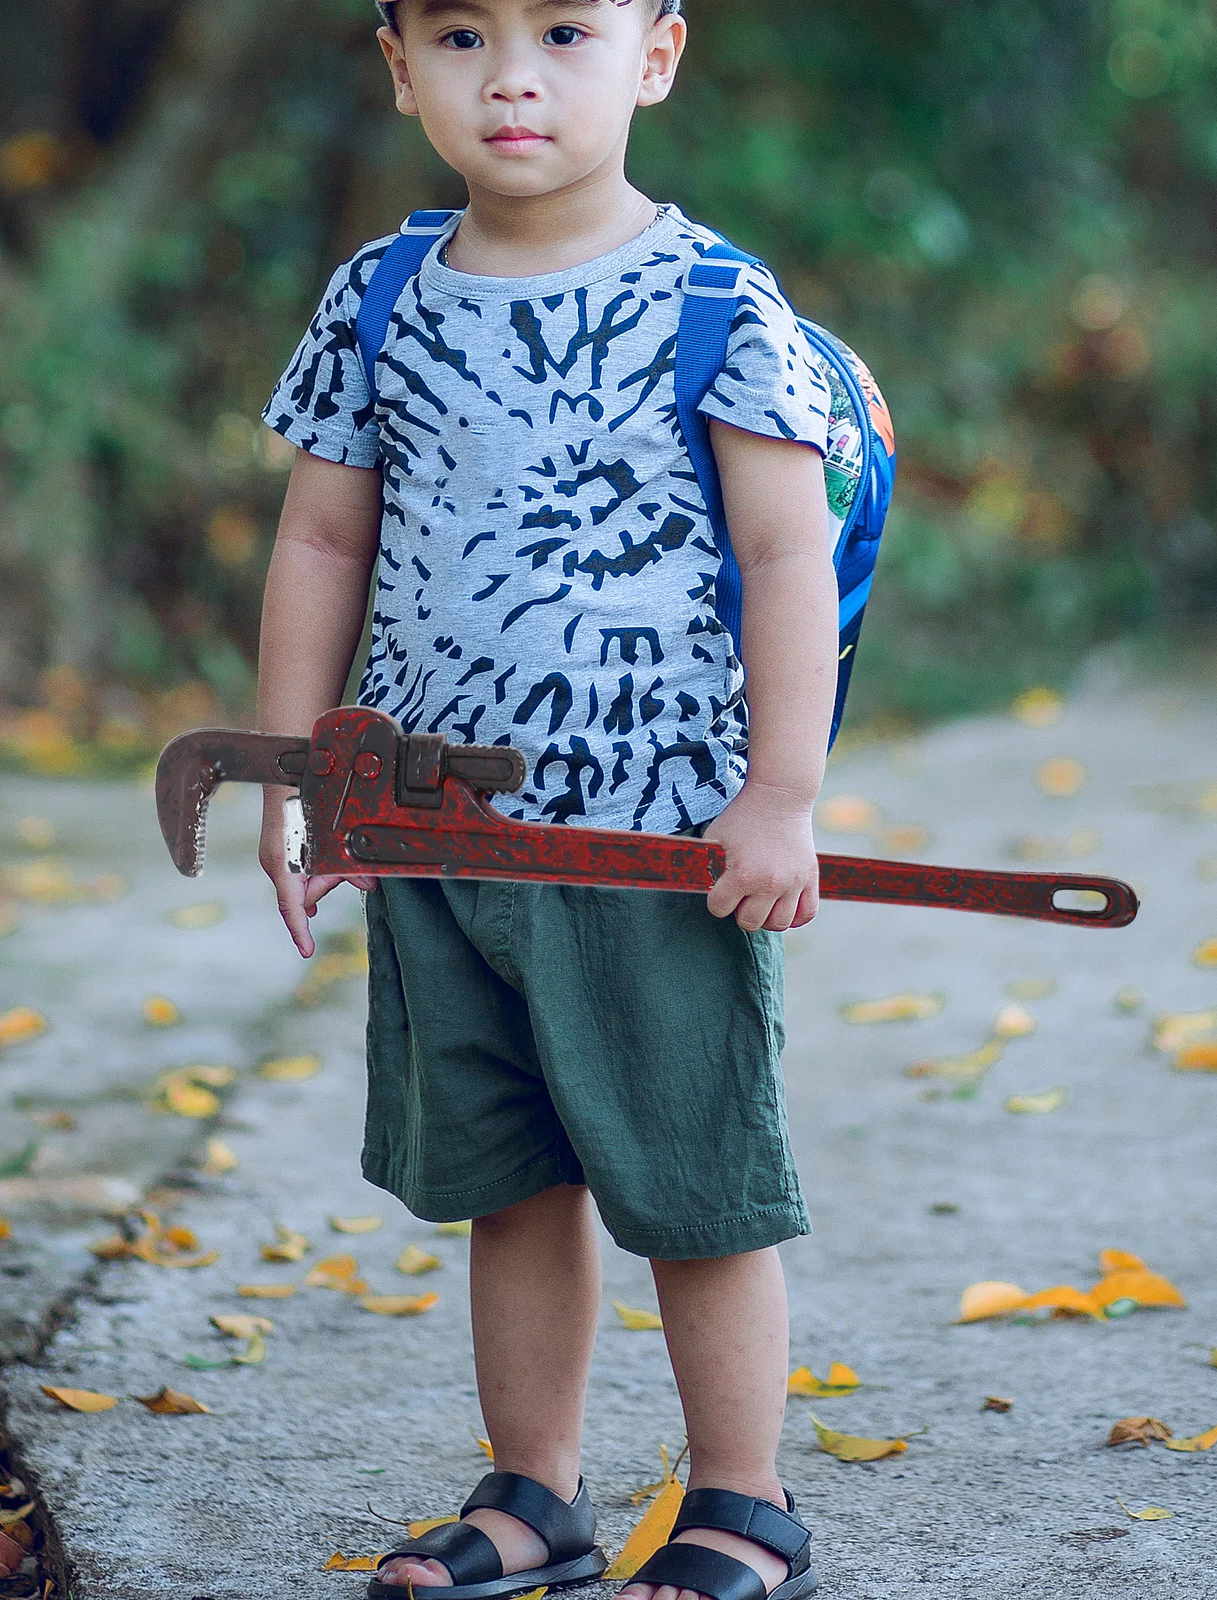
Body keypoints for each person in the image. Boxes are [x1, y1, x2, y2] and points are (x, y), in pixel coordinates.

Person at [256, 3, 837, 1598]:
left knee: (696, 1186)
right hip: (439, 836)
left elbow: (786, 550)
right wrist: (299, 777)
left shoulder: (716, 301)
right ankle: (537, 1495)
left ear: (657, 54)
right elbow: (322, 541)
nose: (511, 74)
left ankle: (744, 1505)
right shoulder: (379, 298)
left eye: (566, 29)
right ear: (398, 66)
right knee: (507, 1181)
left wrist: (779, 794)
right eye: (461, 33)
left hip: (652, 845)